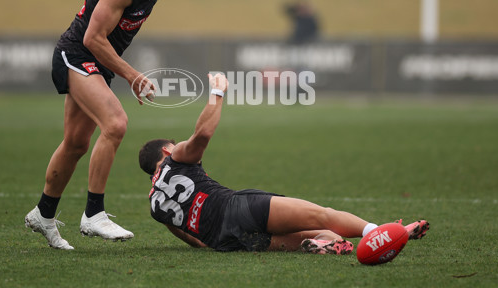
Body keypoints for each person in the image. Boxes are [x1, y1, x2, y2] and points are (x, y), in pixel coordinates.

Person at [25, 0, 256, 250]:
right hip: (77, 55)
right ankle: (93, 214)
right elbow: (92, 38)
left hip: (95, 63)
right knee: (115, 123)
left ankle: (43, 214)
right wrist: (133, 75)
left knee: (76, 143)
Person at [138, 73, 429, 254]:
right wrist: (217, 91)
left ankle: (327, 244)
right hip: (237, 209)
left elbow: (196, 241)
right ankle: (381, 232)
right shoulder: (175, 159)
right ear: (166, 149)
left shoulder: (154, 206)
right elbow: (202, 134)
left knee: (316, 235)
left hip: (225, 242)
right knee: (322, 216)